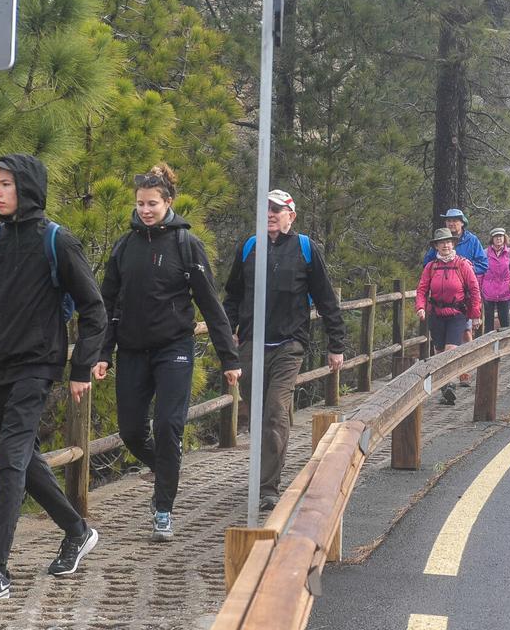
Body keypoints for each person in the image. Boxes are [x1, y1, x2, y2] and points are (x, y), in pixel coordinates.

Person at [0, 154, 107, 601]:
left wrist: (80, 368)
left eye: (6, 184)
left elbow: (94, 309)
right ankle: (77, 531)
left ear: (28, 189)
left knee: (9, 462)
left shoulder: (57, 241)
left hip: (37, 368)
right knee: (21, 459)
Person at [93, 164, 241, 542]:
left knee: (168, 426)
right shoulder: (124, 246)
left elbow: (210, 303)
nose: (145, 210)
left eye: (153, 204)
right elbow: (107, 304)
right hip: (132, 350)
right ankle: (166, 468)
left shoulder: (186, 244)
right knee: (130, 431)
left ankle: (163, 509)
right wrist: (102, 353)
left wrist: (229, 359)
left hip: (174, 348)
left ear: (168, 203)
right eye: (141, 203)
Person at [223, 189, 347, 511]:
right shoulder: (249, 248)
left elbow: (326, 299)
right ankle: (263, 473)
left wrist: (336, 345)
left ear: (291, 215)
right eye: (265, 210)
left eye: (277, 210)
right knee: (260, 414)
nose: (270, 215)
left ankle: (267, 488)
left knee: (276, 411)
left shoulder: (306, 249)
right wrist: (229, 335)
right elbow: (232, 296)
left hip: (289, 344)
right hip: (252, 344)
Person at [416, 228, 482, 405]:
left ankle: (449, 384)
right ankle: (446, 387)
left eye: (448, 242)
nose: (445, 245)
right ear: (436, 246)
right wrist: (420, 307)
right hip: (436, 314)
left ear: (453, 244)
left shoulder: (462, 265)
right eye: (441, 242)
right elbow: (422, 289)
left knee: (451, 349)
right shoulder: (431, 267)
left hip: (457, 313)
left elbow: (475, 290)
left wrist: (475, 315)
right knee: (438, 352)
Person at [422, 208, 487, 385]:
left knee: (466, 334)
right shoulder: (439, 243)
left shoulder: (472, 240)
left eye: (455, 221)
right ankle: (448, 379)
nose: (451, 224)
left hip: (463, 299)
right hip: (442, 302)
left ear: (462, 222)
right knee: (443, 345)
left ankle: (464, 371)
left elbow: (483, 264)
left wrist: (464, 269)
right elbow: (427, 263)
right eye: (449, 221)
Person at [479, 228, 510, 333]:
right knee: (488, 322)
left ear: (505, 238)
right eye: (496, 236)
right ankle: (488, 346)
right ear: (492, 239)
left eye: (501, 236)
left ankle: (506, 346)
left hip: (505, 290)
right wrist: (479, 288)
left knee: (505, 321)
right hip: (488, 291)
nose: (498, 238)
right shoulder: (484, 253)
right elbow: (480, 272)